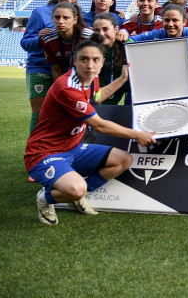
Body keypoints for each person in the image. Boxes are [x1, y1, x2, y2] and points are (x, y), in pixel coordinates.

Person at [25, 33, 157, 225]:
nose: (90, 65)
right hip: (44, 152)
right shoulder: (67, 88)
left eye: (95, 60)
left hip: (73, 148)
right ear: (75, 61)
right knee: (76, 188)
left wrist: (121, 79)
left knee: (123, 160)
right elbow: (99, 125)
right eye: (84, 59)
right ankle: (45, 198)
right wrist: (137, 135)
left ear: (102, 62)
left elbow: (98, 96)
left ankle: (77, 194)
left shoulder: (91, 78)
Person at [20, 0, 80, 134]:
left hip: (67, 71)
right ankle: (34, 151)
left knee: (68, 113)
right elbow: (25, 43)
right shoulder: (40, 13)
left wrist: (117, 14)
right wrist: (40, 39)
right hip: (41, 68)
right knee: (40, 112)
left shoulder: (79, 15)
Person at [127, 1, 188, 105]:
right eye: (166, 20)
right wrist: (124, 32)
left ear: (184, 21)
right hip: (166, 86)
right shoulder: (158, 34)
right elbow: (130, 41)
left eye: (175, 20)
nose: (170, 24)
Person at [40, 1, 95, 81]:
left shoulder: (89, 37)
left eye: (66, 18)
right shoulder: (47, 40)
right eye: (57, 17)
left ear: (75, 20)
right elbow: (56, 70)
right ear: (52, 19)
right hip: (63, 80)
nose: (61, 21)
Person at [92, 13, 129, 105]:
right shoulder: (92, 49)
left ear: (116, 29)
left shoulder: (128, 46)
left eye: (105, 29)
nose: (101, 34)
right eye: (97, 30)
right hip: (104, 92)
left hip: (129, 91)